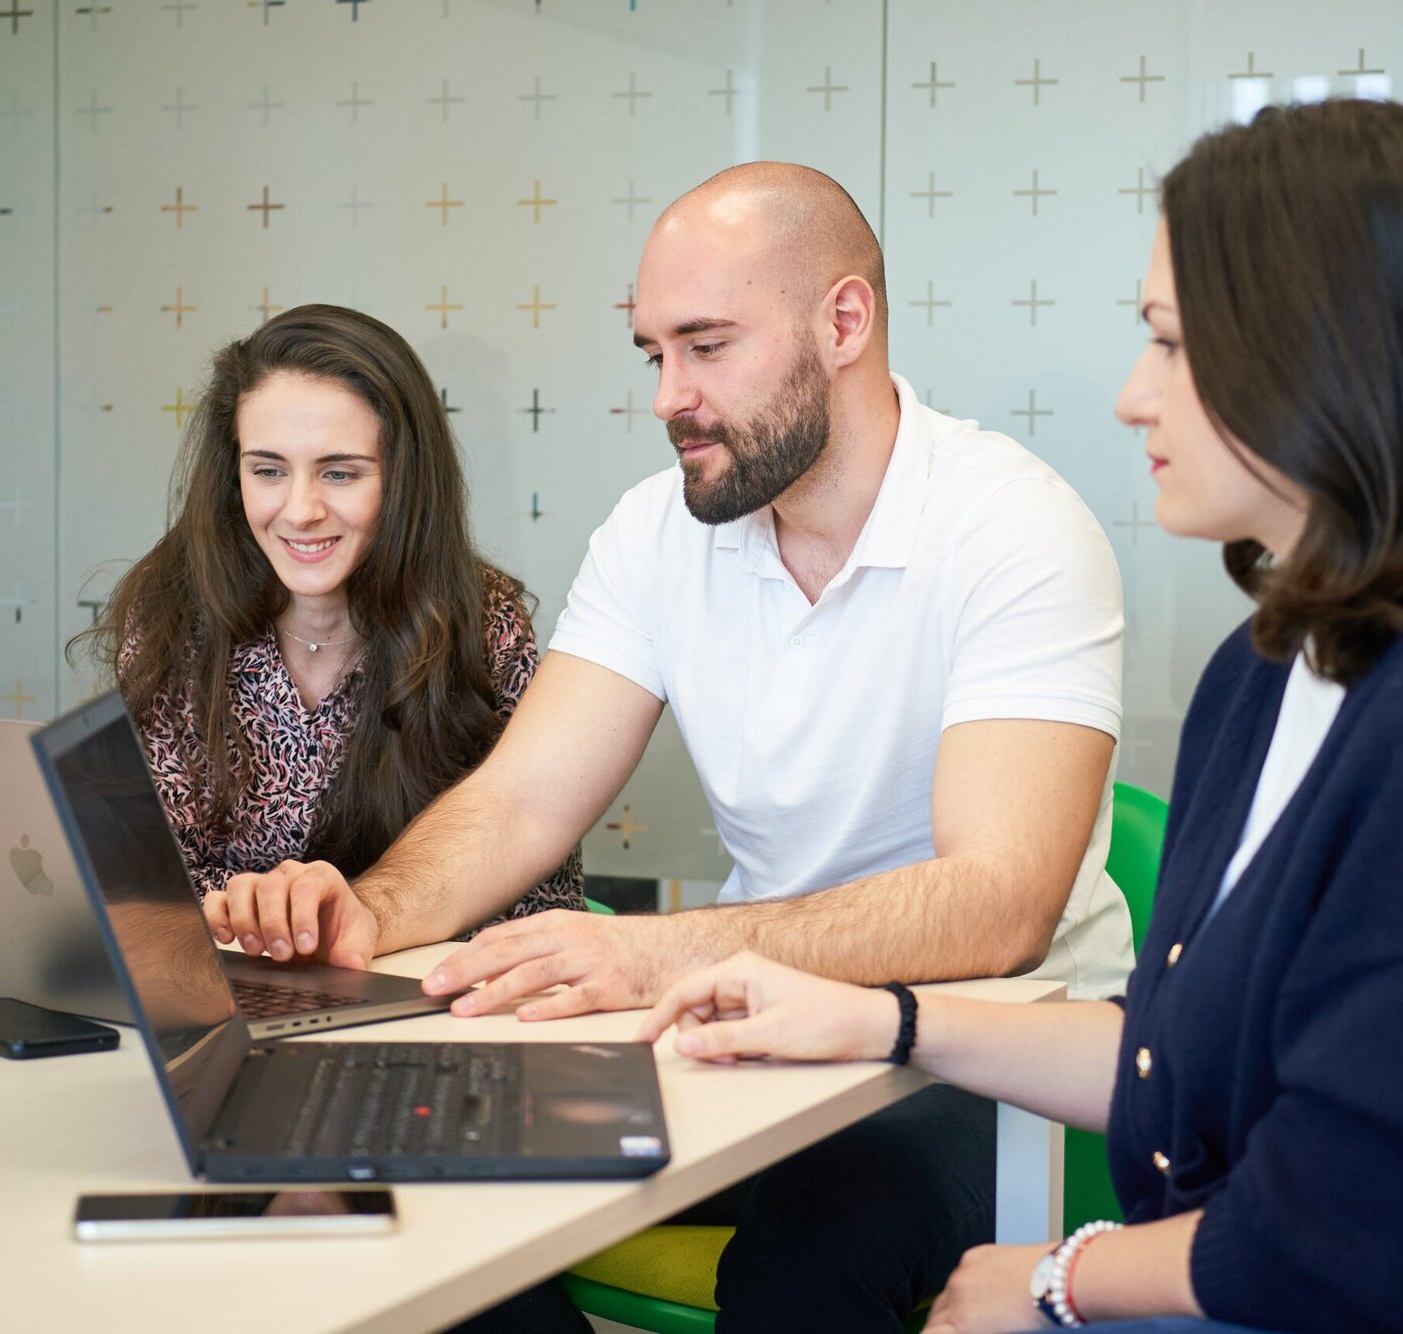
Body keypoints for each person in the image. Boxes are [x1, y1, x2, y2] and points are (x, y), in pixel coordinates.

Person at [636, 100, 1403, 1333]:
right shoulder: (1272, 663)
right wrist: (881, 1017)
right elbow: (1180, 1057)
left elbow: (1384, 1223)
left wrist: (1055, 1277)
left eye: (1171, 345)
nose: (1134, 399)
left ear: (1337, 359)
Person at [205, 165, 1133, 1330]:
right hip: (752, 1037)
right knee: (428, 1200)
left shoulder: (1011, 527)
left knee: (808, 1263)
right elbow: (523, 800)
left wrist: (660, 953)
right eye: (654, 352)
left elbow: (998, 904)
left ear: (842, 323)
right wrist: (373, 915)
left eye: (706, 346)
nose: (667, 396)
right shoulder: (657, 531)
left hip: (978, 1054)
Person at [75, 304, 583, 941]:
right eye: (268, 471)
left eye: (339, 473)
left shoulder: (483, 625)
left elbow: (533, 897)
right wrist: (258, 921)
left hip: (418, 1004)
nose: (300, 509)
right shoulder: (173, 617)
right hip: (228, 987)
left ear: (404, 481)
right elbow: (144, 881)